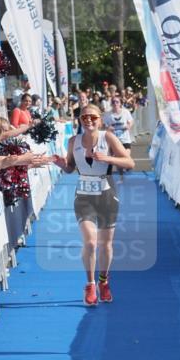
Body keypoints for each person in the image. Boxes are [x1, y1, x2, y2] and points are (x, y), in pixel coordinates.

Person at [51, 105, 135, 306]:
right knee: (90, 242)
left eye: (92, 117)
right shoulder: (74, 141)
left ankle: (103, 282)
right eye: (84, 117)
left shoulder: (108, 138)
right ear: (79, 120)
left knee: (105, 244)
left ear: (100, 119)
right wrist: (61, 164)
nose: (88, 120)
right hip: (84, 197)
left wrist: (107, 158)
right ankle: (89, 284)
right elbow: (71, 168)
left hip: (107, 195)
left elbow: (130, 163)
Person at [104, 96, 135, 181]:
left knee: (126, 157)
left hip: (125, 139)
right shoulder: (108, 114)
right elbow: (104, 126)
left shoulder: (125, 112)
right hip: (114, 140)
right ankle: (121, 178)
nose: (115, 104)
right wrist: (108, 128)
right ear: (111, 104)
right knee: (118, 160)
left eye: (117, 102)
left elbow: (131, 121)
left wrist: (129, 126)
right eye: (113, 102)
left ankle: (127, 167)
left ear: (120, 103)